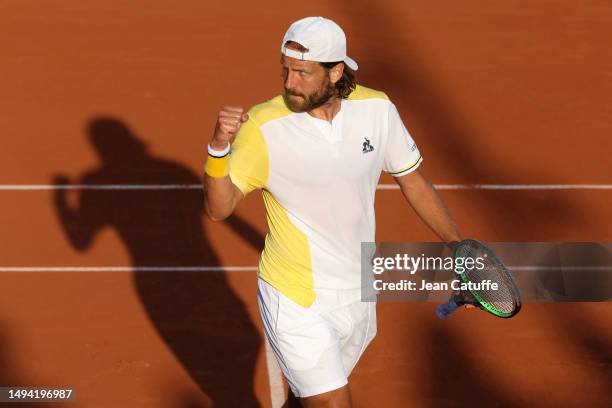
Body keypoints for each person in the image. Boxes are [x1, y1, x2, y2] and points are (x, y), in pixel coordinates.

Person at [203, 16, 461, 408]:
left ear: (336, 71)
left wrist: (458, 246)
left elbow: (414, 182)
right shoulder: (263, 126)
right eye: (286, 70)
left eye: (303, 73)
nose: (290, 83)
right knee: (330, 402)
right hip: (295, 295)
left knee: (307, 398)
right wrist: (218, 149)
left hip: (357, 290)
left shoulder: (376, 109)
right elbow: (219, 209)